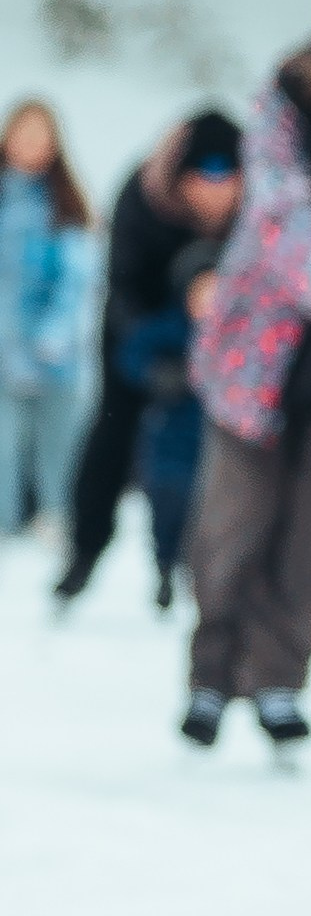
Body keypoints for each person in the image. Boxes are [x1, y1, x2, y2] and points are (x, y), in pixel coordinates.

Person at [180, 38, 311, 751]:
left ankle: (280, 679)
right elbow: (285, 236)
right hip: (253, 366)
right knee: (232, 529)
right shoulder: (279, 118)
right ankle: (210, 674)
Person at [54, 110, 243, 606]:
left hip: (224, 343)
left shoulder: (254, 209)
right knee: (113, 434)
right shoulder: (143, 198)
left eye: (227, 175)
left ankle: (189, 563)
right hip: (141, 331)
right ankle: (84, 552)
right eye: (205, 175)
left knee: (200, 461)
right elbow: (123, 288)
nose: (215, 189)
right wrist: (151, 360)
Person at [0, 99, 97, 538]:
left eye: (41, 136)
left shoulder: (67, 204)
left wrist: (56, 329)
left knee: (57, 442)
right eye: (24, 133)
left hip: (54, 351)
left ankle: (55, 517)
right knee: (5, 445)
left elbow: (78, 275)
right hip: (4, 347)